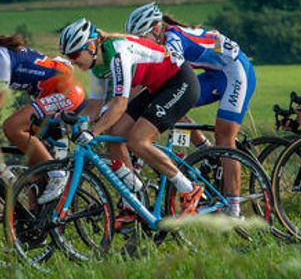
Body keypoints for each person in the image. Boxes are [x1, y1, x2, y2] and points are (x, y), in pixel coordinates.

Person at [57, 18, 205, 214]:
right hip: (157, 88)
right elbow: (94, 107)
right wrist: (71, 122)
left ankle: (188, 188)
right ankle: (134, 197)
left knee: (138, 140)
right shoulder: (97, 66)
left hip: (179, 81)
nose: (73, 60)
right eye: (68, 56)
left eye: (75, 54)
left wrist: (93, 132)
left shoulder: (117, 53)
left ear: (92, 45)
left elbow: (120, 104)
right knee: (114, 137)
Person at [125, 2, 256, 215]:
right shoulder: (162, 38)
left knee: (224, 138)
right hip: (215, 74)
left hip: (236, 72)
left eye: (141, 37)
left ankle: (234, 208)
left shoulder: (173, 38)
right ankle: (204, 148)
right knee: (172, 101)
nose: (139, 44)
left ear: (156, 29)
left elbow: (170, 65)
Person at [0, 16, 85, 203]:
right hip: (49, 95)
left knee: (12, 127)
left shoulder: (0, 57)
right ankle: (38, 224)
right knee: (33, 176)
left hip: (66, 90)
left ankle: (57, 173)